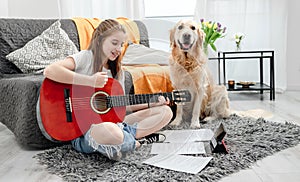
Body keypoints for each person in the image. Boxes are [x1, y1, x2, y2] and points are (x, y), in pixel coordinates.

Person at [42, 19, 173, 161]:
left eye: (122, 45)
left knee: (165, 112)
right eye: (114, 43)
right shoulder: (86, 57)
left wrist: (151, 103)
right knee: (110, 131)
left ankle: (119, 143)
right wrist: (90, 81)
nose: (118, 49)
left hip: (115, 125)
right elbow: (50, 70)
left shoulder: (117, 72)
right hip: (85, 132)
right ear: (100, 40)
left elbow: (121, 106)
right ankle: (132, 142)